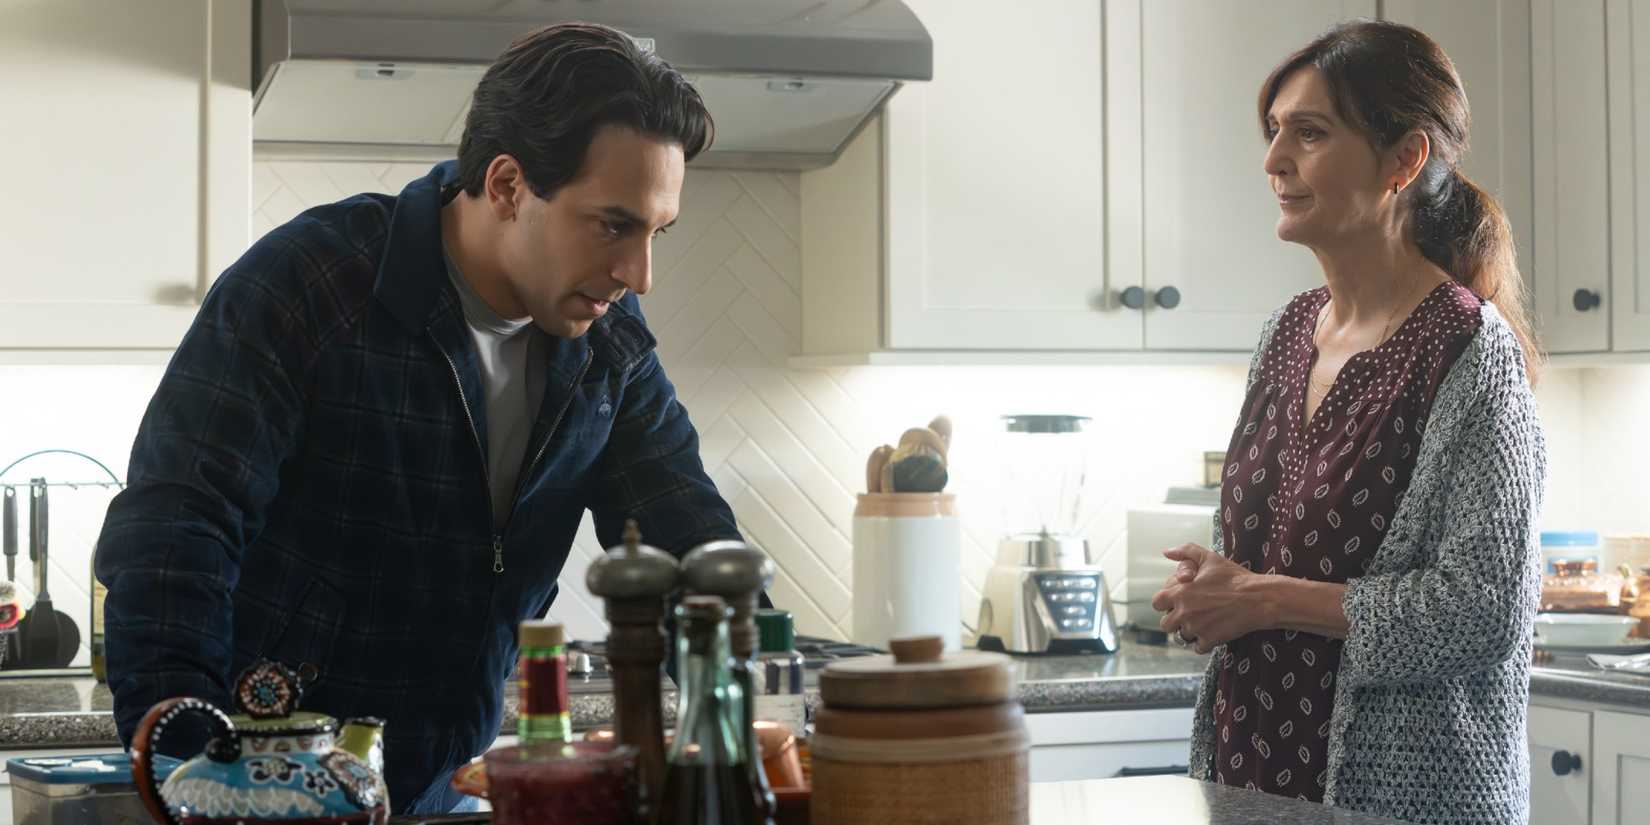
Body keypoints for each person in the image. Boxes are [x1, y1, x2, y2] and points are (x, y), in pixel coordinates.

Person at [94, 22, 744, 815]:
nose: (638, 271)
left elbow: (695, 552)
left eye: (656, 233)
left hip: (439, 791)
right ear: (507, 184)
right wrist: (192, 778)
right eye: (614, 224)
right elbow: (174, 535)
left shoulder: (610, 345)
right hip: (264, 791)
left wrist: (747, 711)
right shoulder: (309, 284)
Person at [1150, 20, 1546, 825]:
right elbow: (1278, 554)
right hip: (1250, 782)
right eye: (1273, 133)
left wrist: (1261, 598)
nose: (1273, 162)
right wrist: (1214, 593)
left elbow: (1483, 608)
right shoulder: (1287, 332)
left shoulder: (1470, 350)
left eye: (1310, 132)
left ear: (1404, 160)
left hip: (1406, 802)